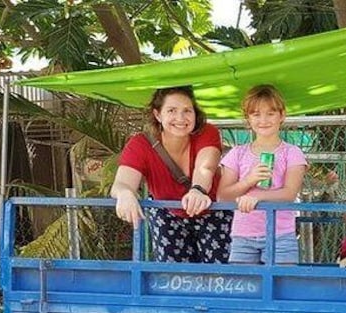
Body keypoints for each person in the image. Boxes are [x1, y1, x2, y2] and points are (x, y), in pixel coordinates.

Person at [111, 85, 231, 262]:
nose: (180, 118)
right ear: (158, 114)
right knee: (174, 277)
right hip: (168, 215)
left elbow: (205, 167)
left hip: (213, 211)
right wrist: (125, 194)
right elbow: (122, 183)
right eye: (171, 110)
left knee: (221, 275)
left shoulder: (207, 132)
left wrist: (198, 190)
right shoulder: (140, 144)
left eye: (187, 111)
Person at [217, 84, 307, 264]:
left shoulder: (292, 152)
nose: (263, 120)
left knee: (283, 287)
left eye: (270, 113)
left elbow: (289, 194)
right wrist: (249, 180)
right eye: (256, 114)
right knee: (244, 288)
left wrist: (256, 196)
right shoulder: (237, 153)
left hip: (280, 234)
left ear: (282, 115)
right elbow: (222, 196)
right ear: (248, 118)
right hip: (243, 235)